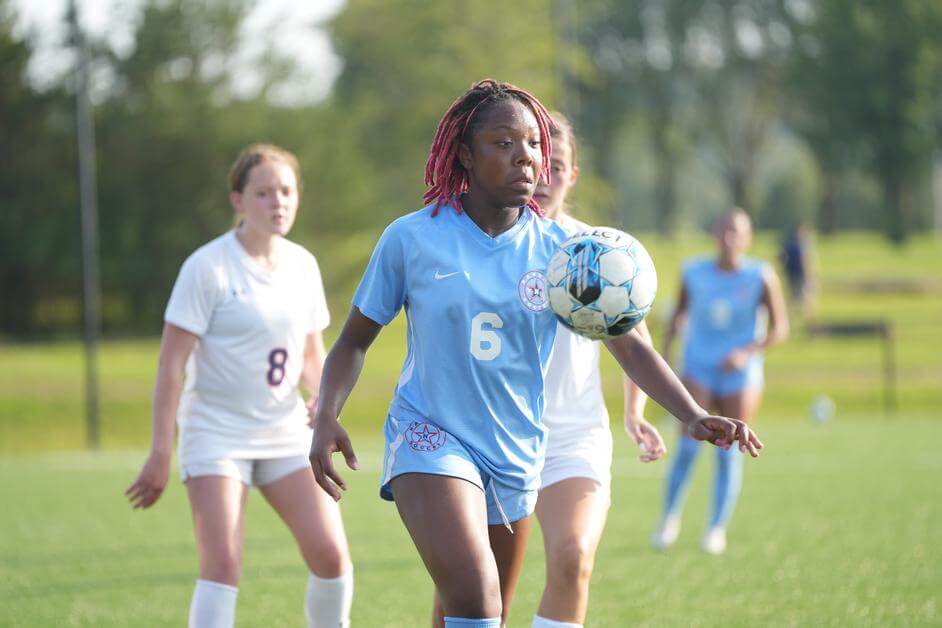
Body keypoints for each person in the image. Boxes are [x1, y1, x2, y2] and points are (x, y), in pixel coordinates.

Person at [308, 79, 762, 628]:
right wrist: (327, 414)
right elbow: (354, 341)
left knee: (477, 615)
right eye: (503, 143)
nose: (526, 157)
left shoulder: (562, 254)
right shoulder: (412, 238)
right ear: (465, 155)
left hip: (518, 453)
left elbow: (630, 345)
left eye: (532, 144)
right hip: (430, 437)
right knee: (477, 600)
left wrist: (691, 414)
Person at [125, 144, 353, 628]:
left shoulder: (302, 265)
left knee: (332, 556)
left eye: (287, 191)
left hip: (283, 430)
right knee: (223, 566)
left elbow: (313, 353)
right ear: (238, 200)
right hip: (216, 433)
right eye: (264, 192)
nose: (278, 202)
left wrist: (321, 398)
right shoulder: (207, 268)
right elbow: (170, 367)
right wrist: (161, 452)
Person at [529, 112, 667, 627]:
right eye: (537, 165)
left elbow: (635, 339)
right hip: (492, 436)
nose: (545, 179)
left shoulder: (597, 249)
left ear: (573, 175)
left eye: (557, 167)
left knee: (572, 560)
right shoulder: (488, 240)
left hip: (572, 436)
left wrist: (635, 411)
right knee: (475, 591)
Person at [652, 208, 788, 555]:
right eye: (724, 230)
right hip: (697, 366)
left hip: (739, 374)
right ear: (715, 235)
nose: (729, 238)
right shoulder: (693, 272)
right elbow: (676, 317)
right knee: (686, 446)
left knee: (730, 450)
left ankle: (716, 529)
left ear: (748, 238)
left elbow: (779, 329)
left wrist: (746, 352)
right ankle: (669, 519)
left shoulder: (761, 275)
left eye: (737, 232)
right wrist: (665, 361)